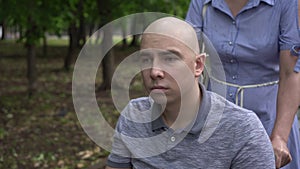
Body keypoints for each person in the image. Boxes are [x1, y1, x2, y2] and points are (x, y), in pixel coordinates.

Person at [105, 17, 275, 169]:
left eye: (170, 59)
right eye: (146, 60)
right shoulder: (134, 115)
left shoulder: (243, 130)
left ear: (198, 65)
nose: (154, 71)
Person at [185, 0, 300, 168]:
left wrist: (280, 137)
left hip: (270, 119)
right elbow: (185, 55)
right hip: (215, 119)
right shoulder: (202, 3)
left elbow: (291, 73)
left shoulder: (285, 3)